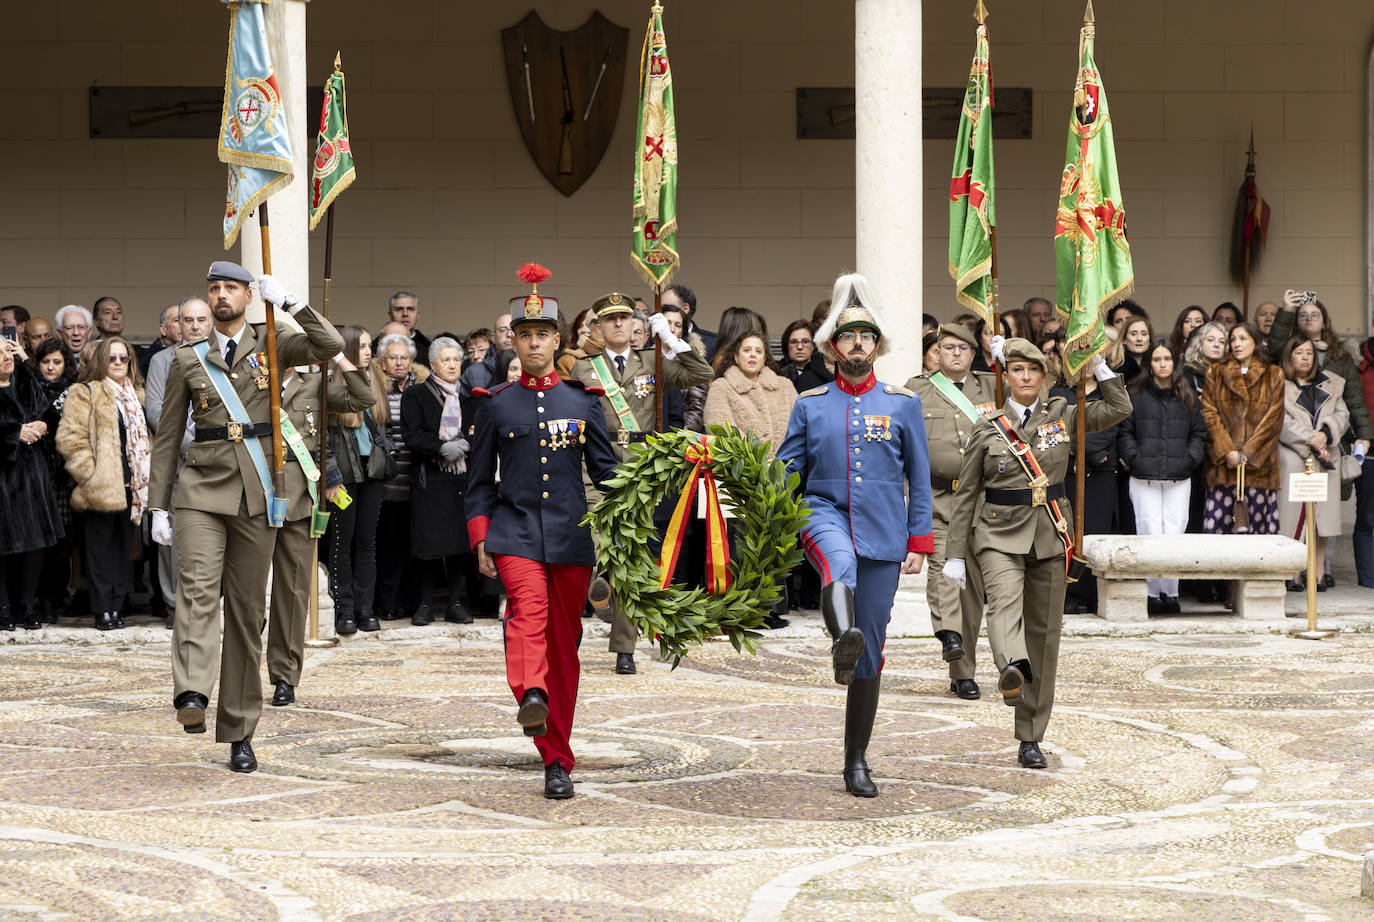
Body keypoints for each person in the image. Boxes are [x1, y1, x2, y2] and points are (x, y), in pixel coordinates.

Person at [148, 262, 343, 774]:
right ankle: (191, 690)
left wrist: (293, 304)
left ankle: (239, 730)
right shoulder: (188, 358)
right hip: (200, 489)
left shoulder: (277, 343)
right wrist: (158, 504)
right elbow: (168, 436)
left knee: (245, 614)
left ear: (249, 295)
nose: (220, 296)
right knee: (195, 588)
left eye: (230, 287)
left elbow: (329, 347)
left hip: (258, 494)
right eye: (213, 288)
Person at [776, 273, 933, 798]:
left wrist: (918, 540)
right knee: (836, 563)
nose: (858, 344)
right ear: (831, 347)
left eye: (866, 336)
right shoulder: (810, 403)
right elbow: (785, 469)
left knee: (873, 652)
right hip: (823, 513)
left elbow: (920, 477)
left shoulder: (902, 404)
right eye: (848, 336)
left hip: (885, 533)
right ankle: (841, 636)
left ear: (878, 346)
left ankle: (856, 760)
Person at [944, 336, 1129, 769]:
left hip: (1050, 533)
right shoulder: (987, 426)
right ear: (1005, 377)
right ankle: (1011, 667)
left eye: (1033, 371)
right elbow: (967, 494)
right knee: (1003, 606)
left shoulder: (1065, 414)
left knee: (1044, 638)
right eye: (1017, 371)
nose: (1025, 378)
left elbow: (1118, 410)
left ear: (1045, 378)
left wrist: (1100, 367)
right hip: (997, 534)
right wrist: (955, 553)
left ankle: (1030, 735)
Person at [466, 276, 618, 800]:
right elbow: (480, 480)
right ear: (513, 341)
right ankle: (531, 691)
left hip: (571, 537)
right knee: (526, 615)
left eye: (543, 334)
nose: (533, 343)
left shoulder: (583, 401)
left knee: (565, 648)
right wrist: (482, 537)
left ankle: (557, 757)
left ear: (558, 341)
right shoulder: (495, 403)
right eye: (524, 334)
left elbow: (607, 473)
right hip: (515, 533)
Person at [571, 292, 712, 676]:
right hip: (595, 468)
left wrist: (672, 340)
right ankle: (600, 587)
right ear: (597, 327)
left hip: (641, 470)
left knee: (632, 560)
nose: (619, 324)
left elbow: (702, 374)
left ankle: (624, 649)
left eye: (625, 318)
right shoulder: (582, 368)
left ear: (635, 324)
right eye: (610, 319)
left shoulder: (653, 362)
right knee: (603, 543)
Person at [266, 345, 374, 706]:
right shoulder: (249, 386)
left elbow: (364, 395)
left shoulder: (314, 385)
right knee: (247, 594)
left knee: (294, 591)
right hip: (251, 495)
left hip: (297, 498)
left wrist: (338, 354)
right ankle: (246, 665)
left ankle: (285, 675)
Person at [908, 322, 997, 700]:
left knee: (971, 595)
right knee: (944, 575)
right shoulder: (916, 390)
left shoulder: (994, 385)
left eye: (963, 348)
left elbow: (1033, 400)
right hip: (940, 499)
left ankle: (964, 669)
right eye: (948, 348)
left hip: (984, 504)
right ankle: (951, 640)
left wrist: (1006, 357)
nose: (956, 353)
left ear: (973, 354)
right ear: (936, 353)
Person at [703, 328, 797, 628]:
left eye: (758, 350)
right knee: (744, 543)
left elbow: (799, 426)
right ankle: (745, 609)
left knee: (777, 540)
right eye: (747, 350)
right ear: (735, 355)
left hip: (780, 476)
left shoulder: (783, 386)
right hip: (741, 477)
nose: (753, 355)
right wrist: (751, 462)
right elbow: (716, 427)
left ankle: (769, 608)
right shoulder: (722, 386)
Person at [56, 336, 148, 631]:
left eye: (124, 358)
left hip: (130, 485)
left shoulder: (137, 396)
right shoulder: (85, 392)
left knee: (123, 551)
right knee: (98, 552)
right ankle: (102, 609)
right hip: (99, 486)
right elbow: (71, 438)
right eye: (112, 358)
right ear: (101, 361)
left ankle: (117, 606)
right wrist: (89, 475)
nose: (119, 363)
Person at [1118, 340, 1206, 614]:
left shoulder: (1187, 396)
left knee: (1175, 532)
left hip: (1179, 477)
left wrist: (1189, 460)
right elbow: (1125, 432)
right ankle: (1153, 594)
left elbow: (1199, 434)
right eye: (1157, 359)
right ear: (1150, 364)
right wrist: (1134, 459)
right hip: (1144, 476)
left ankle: (1171, 593)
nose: (1162, 364)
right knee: (1149, 531)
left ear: (1174, 362)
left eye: (1167, 358)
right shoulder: (1135, 394)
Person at [402, 336, 478, 625]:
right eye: (446, 360)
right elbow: (412, 433)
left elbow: (478, 431)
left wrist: (466, 444)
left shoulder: (470, 397)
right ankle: (425, 605)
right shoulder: (416, 395)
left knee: (459, 544)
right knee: (429, 544)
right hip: (430, 477)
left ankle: (456, 603)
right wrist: (440, 447)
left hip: (461, 480)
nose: (452, 365)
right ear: (433, 364)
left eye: (456, 360)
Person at [325, 326, 390, 635]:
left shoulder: (374, 377)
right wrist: (331, 476)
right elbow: (323, 437)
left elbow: (381, 425)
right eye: (362, 346)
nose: (368, 351)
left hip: (372, 471)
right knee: (341, 542)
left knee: (367, 542)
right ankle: (344, 609)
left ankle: (366, 608)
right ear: (348, 349)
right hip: (343, 474)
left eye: (369, 345)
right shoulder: (331, 386)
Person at [0, 338, 65, 631]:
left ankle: (27, 604)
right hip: (4, 476)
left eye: (8, 351)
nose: (7, 357)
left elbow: (49, 411)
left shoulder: (25, 381)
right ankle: (2, 607)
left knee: (35, 544)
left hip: (32, 476)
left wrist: (43, 424)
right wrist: (15, 433)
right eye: (0, 353)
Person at [1199, 322, 1285, 539]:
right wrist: (1227, 450)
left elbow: (1273, 420)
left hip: (1260, 468)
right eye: (1233, 339)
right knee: (1219, 537)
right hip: (1223, 468)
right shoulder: (1216, 372)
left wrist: (1248, 453)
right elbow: (1209, 413)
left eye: (1243, 338)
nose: (1237, 344)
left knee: (1257, 537)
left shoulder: (1274, 374)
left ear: (1255, 342)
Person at [1278, 338, 1350, 591]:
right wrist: (1310, 440)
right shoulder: (1280, 385)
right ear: (1290, 356)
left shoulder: (1332, 384)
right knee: (1293, 519)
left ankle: (1317, 576)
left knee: (1321, 522)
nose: (1305, 357)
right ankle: (1292, 574)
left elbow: (1342, 414)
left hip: (1326, 456)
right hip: (1295, 457)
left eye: (1309, 353)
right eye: (1299, 353)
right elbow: (1281, 421)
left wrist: (1325, 434)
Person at [372, 332, 427, 621]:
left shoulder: (423, 387)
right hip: (388, 482)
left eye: (403, 357)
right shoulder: (377, 390)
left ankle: (412, 602)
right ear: (382, 362)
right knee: (389, 547)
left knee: (413, 547)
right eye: (392, 357)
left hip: (416, 480)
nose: (398, 362)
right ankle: (387, 602)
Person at [27, 338, 77, 623]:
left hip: (62, 476)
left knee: (60, 540)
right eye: (46, 362)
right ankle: (35, 599)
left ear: (65, 364)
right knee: (37, 541)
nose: (50, 367)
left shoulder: (73, 392)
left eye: (57, 362)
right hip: (33, 473)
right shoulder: (29, 388)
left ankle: (55, 598)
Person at [661, 284, 716, 359]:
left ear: (686, 309)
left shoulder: (713, 344)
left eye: (668, 308)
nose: (662, 313)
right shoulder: (652, 339)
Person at [382, 291, 431, 369]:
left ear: (417, 314)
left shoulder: (429, 350)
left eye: (410, 309)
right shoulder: (373, 349)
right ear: (390, 315)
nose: (405, 314)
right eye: (399, 309)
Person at [779, 319, 831, 392]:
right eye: (793, 342)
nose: (799, 347)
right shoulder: (777, 373)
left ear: (813, 346)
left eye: (805, 342)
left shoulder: (826, 373)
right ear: (787, 345)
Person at [139, 304, 181, 375]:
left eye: (186, 320)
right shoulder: (153, 358)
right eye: (176, 320)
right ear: (163, 329)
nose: (183, 324)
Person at [1121, 315, 1153, 381]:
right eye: (1133, 334)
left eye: (1144, 334)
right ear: (1124, 339)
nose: (1139, 339)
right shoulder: (1116, 369)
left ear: (1150, 339)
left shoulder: (1156, 364)